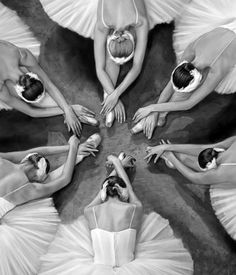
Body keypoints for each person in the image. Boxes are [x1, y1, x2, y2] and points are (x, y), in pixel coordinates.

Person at [39, 0, 190, 127]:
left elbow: (133, 67)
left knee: (110, 63)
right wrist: (113, 96)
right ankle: (107, 98)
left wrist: (115, 94)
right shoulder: (118, 23)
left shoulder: (135, 21)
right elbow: (102, 69)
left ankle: (108, 97)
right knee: (110, 62)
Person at [39, 153, 193, 275]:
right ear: (123, 193)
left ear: (104, 192)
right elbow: (129, 190)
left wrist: (115, 164)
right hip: (130, 268)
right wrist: (119, 164)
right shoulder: (134, 209)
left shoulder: (90, 211)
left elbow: (100, 193)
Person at [0, 133, 101, 275]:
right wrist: (72, 146)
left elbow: (37, 151)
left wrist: (68, 147)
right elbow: (64, 179)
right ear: (36, 177)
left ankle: (79, 154)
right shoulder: (28, 188)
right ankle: (79, 155)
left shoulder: (2, 160)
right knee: (45, 191)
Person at [133, 0, 236, 139]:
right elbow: (170, 86)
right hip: (224, 33)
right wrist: (153, 111)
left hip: (226, 48)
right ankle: (160, 117)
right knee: (180, 89)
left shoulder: (217, 70)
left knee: (186, 94)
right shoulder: (191, 50)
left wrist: (152, 108)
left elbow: (189, 104)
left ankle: (162, 116)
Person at [0, 4, 98, 136]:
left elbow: (48, 84)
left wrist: (67, 109)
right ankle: (77, 113)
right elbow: (32, 112)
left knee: (42, 100)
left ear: (32, 75)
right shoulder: (4, 86)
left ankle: (77, 113)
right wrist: (67, 109)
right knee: (40, 103)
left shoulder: (21, 55)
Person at [145, 136, 236, 240]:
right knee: (203, 167)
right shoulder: (222, 166)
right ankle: (180, 157)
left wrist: (171, 156)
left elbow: (194, 177)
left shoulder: (221, 172)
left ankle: (179, 158)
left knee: (204, 170)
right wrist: (169, 147)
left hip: (223, 168)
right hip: (219, 163)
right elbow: (207, 149)